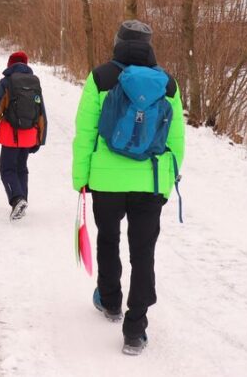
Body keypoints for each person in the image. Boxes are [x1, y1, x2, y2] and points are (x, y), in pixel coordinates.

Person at [72, 20, 185, 355]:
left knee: (108, 238)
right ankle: (135, 330)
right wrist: (168, 181)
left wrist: (81, 179)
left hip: (106, 181)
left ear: (117, 41)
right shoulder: (167, 83)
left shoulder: (101, 77)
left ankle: (109, 301)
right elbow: (175, 140)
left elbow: (85, 134)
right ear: (150, 45)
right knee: (143, 253)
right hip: (149, 181)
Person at [0, 51, 47, 220]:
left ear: (9, 64)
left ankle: (17, 199)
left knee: (7, 168)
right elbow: (41, 113)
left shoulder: (6, 82)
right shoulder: (34, 82)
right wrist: (40, 139)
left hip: (11, 136)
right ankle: (22, 200)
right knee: (21, 168)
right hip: (28, 135)